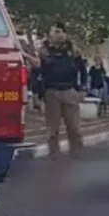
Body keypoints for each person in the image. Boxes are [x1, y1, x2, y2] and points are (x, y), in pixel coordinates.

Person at [34, 21, 86, 160]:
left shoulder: (73, 51)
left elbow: (83, 70)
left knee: (74, 128)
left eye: (62, 32)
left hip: (70, 91)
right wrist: (37, 95)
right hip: (51, 92)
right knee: (53, 130)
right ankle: (54, 155)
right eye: (56, 32)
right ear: (50, 34)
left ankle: (77, 155)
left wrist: (83, 89)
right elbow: (36, 74)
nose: (60, 35)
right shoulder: (43, 52)